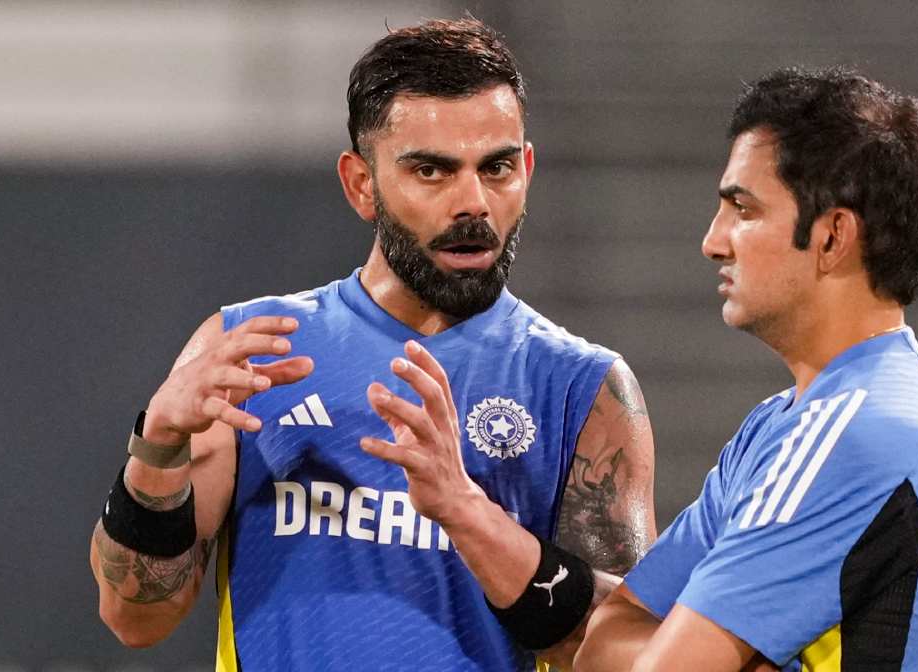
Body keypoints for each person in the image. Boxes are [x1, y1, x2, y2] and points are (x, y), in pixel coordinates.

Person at [88, 17, 656, 672]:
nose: (473, 202)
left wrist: (467, 512)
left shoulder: (584, 389)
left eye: (496, 167)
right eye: (432, 171)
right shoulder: (250, 352)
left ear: (526, 169)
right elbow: (135, 617)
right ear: (362, 184)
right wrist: (158, 446)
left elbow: (633, 656)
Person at [570, 67, 918, 671]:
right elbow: (605, 639)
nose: (713, 240)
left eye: (744, 209)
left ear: (833, 237)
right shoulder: (780, 426)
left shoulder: (855, 436)